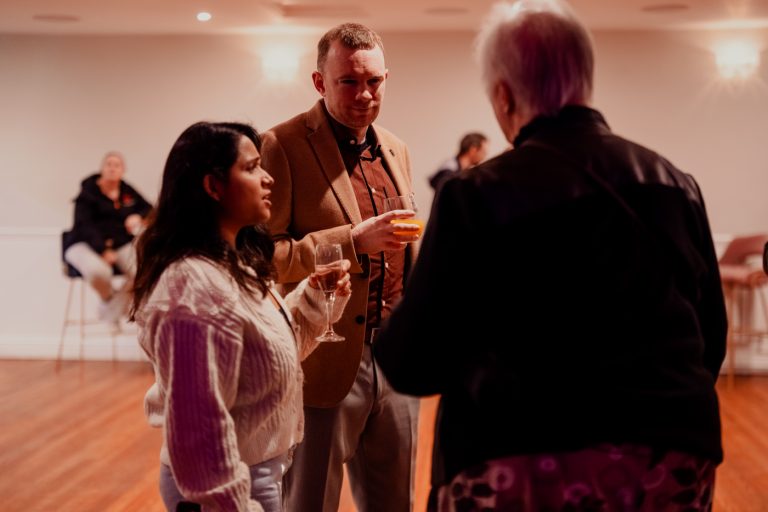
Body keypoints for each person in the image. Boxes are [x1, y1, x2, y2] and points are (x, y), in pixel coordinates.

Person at [374, 1, 728, 511]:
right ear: (586, 81)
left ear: (503, 94)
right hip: (669, 456)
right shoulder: (675, 184)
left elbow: (415, 363)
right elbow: (710, 337)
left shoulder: (475, 194)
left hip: (520, 453)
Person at [129, 121, 352, 512]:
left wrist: (316, 297)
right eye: (251, 168)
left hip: (256, 475)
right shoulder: (193, 288)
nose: (268, 178)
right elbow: (198, 434)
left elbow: (271, 358)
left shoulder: (232, 265)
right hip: (226, 489)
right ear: (213, 187)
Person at [260, 22, 421, 512]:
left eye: (374, 81)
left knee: (395, 504)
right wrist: (351, 241)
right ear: (319, 82)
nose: (364, 94)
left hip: (396, 358)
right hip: (323, 361)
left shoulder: (395, 147)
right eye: (348, 81)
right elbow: (264, 256)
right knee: (310, 502)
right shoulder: (281, 144)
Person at [63, 150, 152, 322]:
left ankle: (110, 310)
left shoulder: (127, 190)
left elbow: (149, 209)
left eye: (117, 165)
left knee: (144, 272)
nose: (112, 168)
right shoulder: (87, 192)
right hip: (85, 244)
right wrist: (103, 250)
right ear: (102, 168)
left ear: (123, 170)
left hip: (119, 243)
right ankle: (111, 303)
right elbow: (84, 225)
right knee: (98, 272)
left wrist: (138, 216)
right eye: (108, 164)